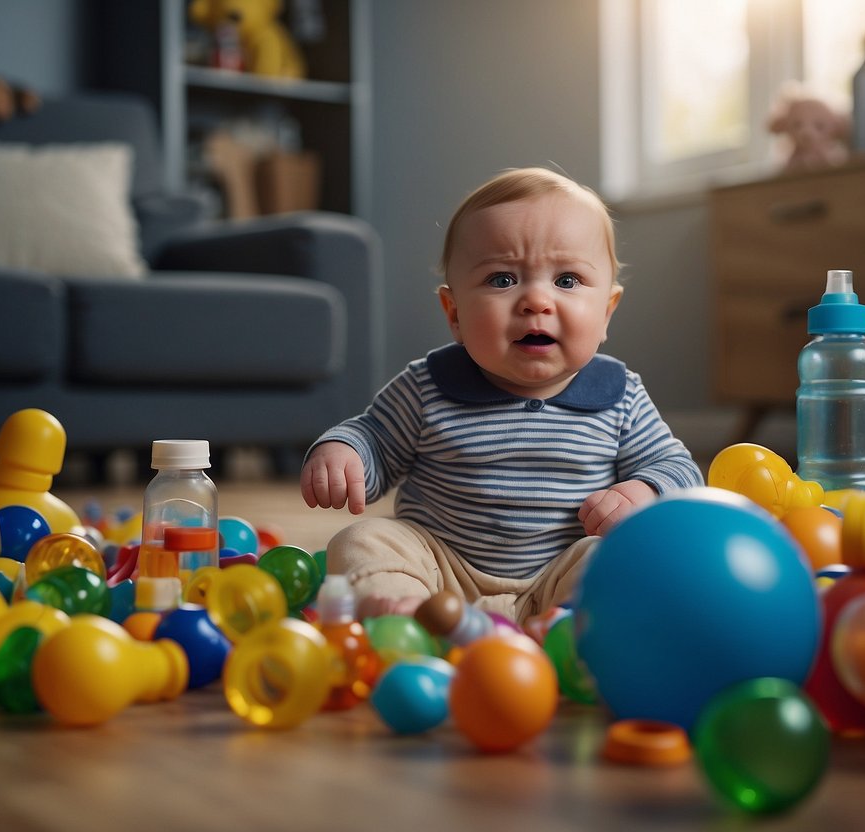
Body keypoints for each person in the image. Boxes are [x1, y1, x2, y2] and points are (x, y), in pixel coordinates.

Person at [301, 167, 703, 622]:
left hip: (560, 573)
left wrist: (645, 489)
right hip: (441, 570)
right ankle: (407, 614)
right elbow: (375, 439)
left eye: (567, 280)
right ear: (454, 313)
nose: (536, 300)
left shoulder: (620, 394)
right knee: (363, 540)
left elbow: (678, 467)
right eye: (502, 280)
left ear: (607, 311)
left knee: (618, 557)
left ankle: (572, 626)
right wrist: (345, 452)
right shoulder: (428, 384)